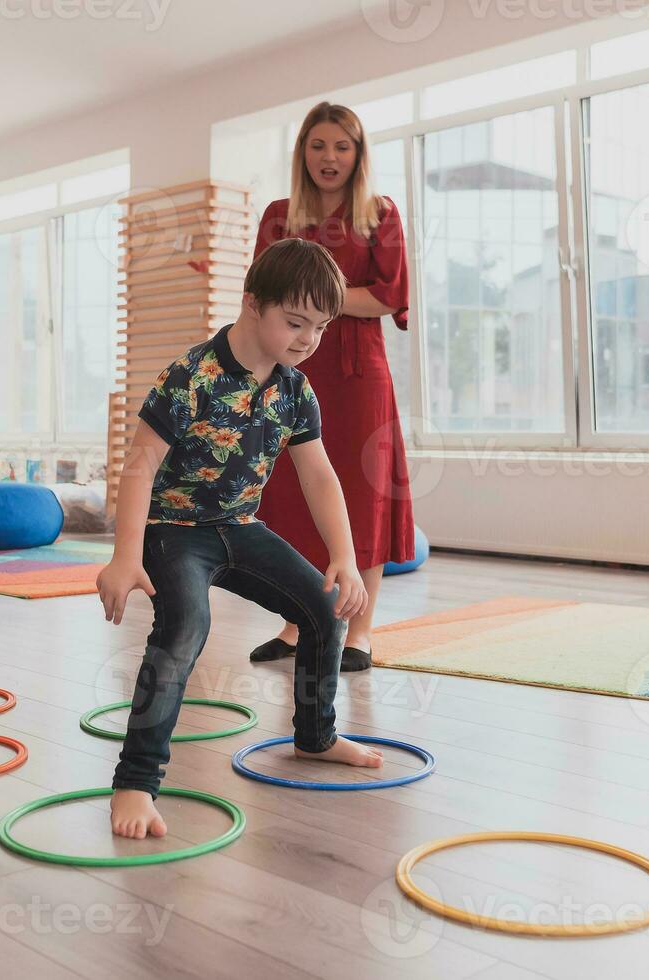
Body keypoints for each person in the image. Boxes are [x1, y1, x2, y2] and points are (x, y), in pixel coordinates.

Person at [98, 238, 378, 840]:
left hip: (241, 528)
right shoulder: (189, 375)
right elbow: (139, 466)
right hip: (172, 531)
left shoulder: (295, 389)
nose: (307, 339)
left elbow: (319, 474)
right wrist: (124, 557)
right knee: (184, 630)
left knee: (324, 611)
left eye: (321, 327)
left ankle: (316, 737)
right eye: (295, 322)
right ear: (253, 304)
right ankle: (136, 781)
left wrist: (346, 559)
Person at [249, 101, 415, 673]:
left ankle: (359, 632)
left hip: (358, 373)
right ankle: (295, 624)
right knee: (291, 495)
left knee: (364, 497)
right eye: (318, 146)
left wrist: (311, 299)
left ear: (358, 153)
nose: (330, 157)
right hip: (291, 369)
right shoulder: (276, 216)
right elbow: (261, 298)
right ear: (303, 153)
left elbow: (389, 295)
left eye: (342, 146)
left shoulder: (380, 214)